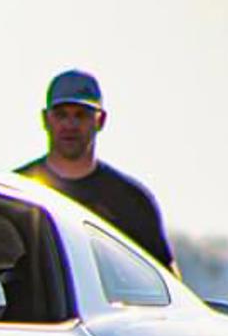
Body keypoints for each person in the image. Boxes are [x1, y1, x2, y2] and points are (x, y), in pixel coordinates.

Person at [16, 69, 176, 270]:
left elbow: (165, 278)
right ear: (45, 119)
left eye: (81, 115)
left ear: (100, 120)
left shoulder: (132, 201)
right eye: (61, 115)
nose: (70, 125)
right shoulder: (17, 192)